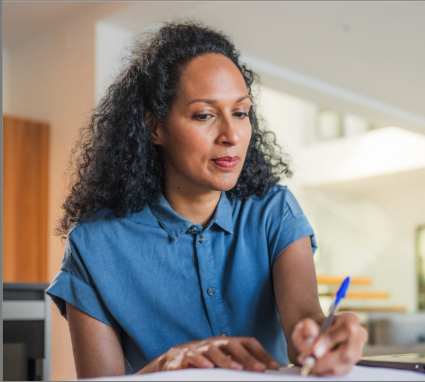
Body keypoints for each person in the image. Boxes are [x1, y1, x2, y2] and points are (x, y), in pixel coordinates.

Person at [46, 21, 367, 378]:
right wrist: (168, 365)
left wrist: (324, 338)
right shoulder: (94, 244)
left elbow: (303, 321)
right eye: (204, 115)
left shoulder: (273, 211)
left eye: (241, 113)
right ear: (154, 127)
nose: (231, 135)